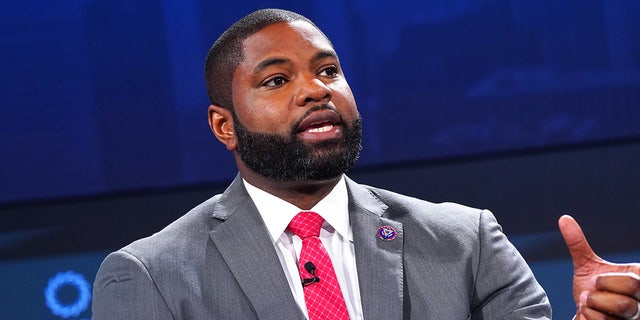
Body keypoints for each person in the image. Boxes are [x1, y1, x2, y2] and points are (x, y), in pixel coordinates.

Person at [91, 8, 640, 319]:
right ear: (224, 126)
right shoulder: (150, 276)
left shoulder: (467, 242)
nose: (314, 90)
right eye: (277, 80)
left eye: (327, 71)